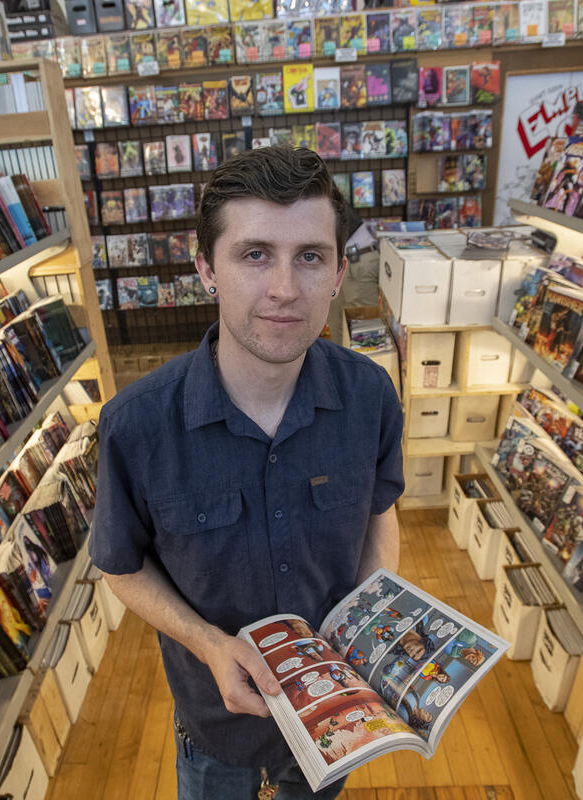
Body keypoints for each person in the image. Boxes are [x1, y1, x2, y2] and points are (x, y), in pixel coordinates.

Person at [90, 146, 404, 800]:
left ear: (341, 271)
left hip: (332, 714)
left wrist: (372, 620)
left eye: (310, 257)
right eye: (255, 254)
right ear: (207, 268)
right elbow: (121, 566)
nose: (286, 289)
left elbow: (379, 513)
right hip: (215, 722)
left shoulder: (371, 396)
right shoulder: (137, 425)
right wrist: (207, 644)